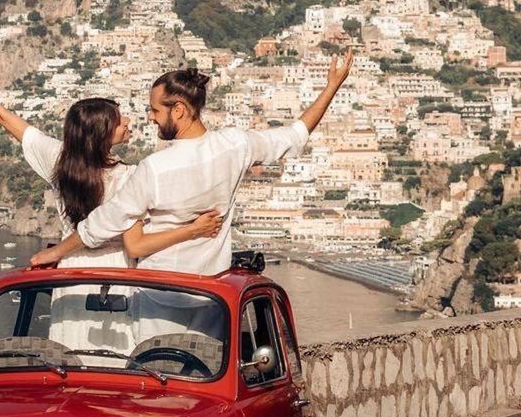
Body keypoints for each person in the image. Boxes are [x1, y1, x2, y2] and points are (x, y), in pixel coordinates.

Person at [30, 49, 354, 275]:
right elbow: (295, 133)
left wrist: (57, 252)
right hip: (210, 291)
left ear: (179, 110)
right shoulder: (236, 145)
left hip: (159, 293)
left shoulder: (154, 169)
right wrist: (332, 86)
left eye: (156, 111)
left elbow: (102, 224)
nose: (151, 119)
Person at [0, 52, 222, 267]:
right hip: (119, 276)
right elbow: (141, 239)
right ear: (103, 134)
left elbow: (1, 116)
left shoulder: (58, 159)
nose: (128, 120)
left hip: (70, 270)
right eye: (119, 121)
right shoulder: (131, 176)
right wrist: (195, 228)